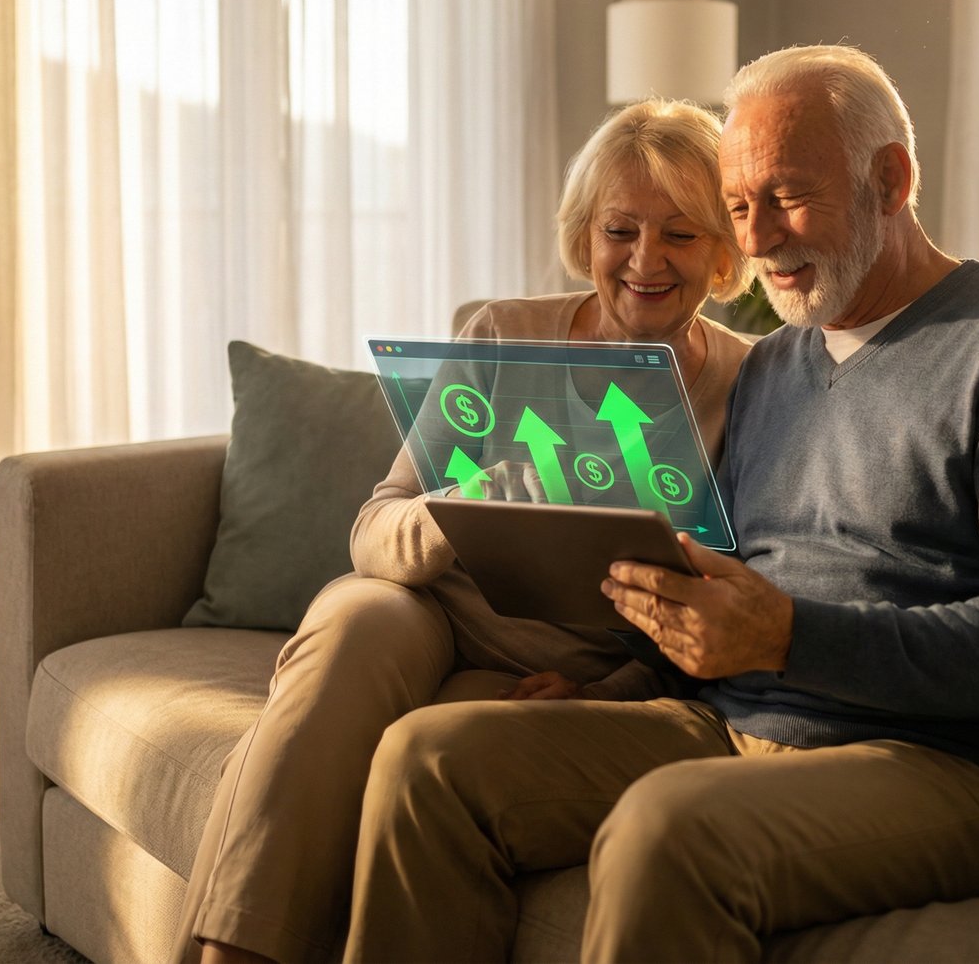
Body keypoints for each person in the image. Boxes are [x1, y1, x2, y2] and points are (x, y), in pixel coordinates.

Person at [340, 45, 979, 962]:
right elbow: (726, 601)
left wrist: (790, 637)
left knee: (666, 828)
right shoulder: (775, 367)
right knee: (429, 760)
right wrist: (613, 689)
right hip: (727, 722)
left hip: (953, 763)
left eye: (785, 197)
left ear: (890, 180)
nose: (755, 241)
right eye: (742, 207)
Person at [175, 98, 755, 964]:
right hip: (430, 614)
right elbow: (375, 526)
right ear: (585, 235)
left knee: (377, 755)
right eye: (619, 229)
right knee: (352, 623)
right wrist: (462, 506)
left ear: (724, 250)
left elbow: (728, 593)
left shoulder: (751, 386)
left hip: (568, 663)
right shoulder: (503, 336)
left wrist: (611, 691)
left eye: (680, 234)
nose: (645, 259)